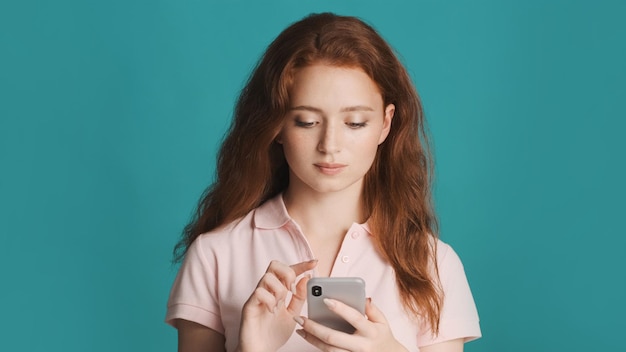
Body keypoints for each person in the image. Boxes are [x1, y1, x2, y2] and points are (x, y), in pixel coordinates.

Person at [165, 12, 481, 352]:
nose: (330, 145)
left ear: (386, 124)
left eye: (355, 123)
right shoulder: (216, 255)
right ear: (277, 125)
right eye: (306, 121)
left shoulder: (434, 263)